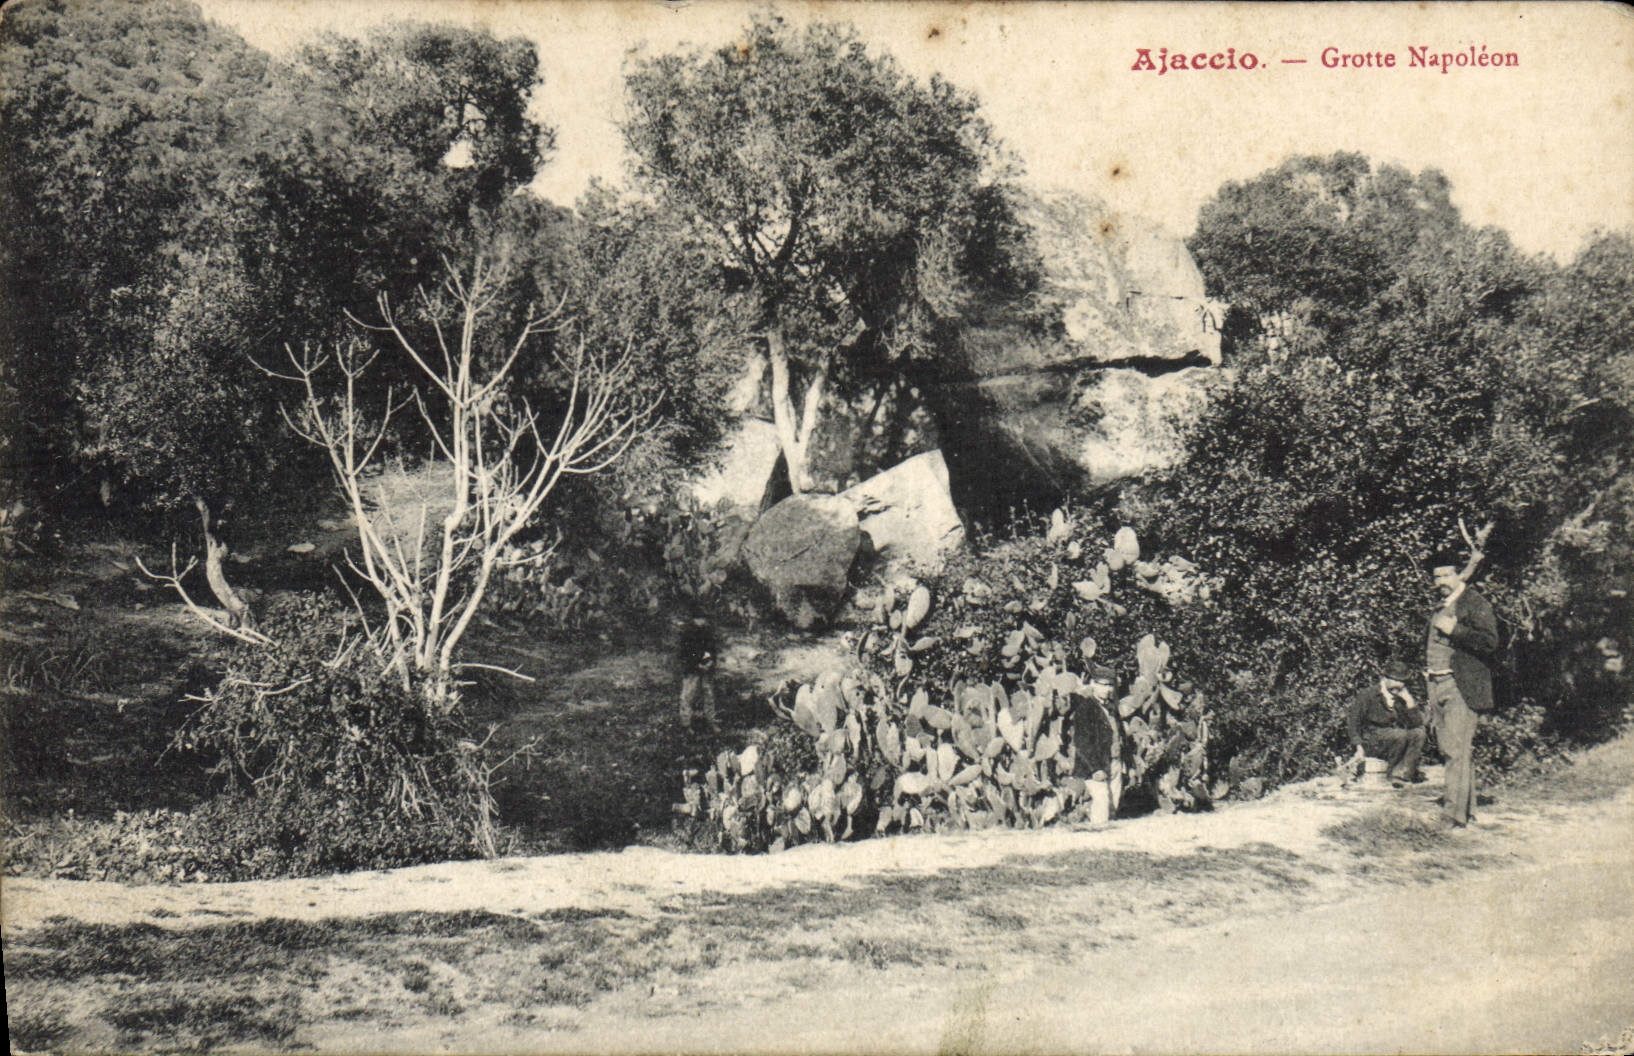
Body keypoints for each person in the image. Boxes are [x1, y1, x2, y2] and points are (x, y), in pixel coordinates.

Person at [1424, 548, 1499, 827]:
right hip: (1436, 682)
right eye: (1437, 576)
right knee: (1451, 750)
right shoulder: (1440, 605)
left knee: (1456, 751)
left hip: (1460, 686)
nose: (1441, 581)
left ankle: (1452, 816)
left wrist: (1455, 630)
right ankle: (1465, 811)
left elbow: (1490, 642)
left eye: (1446, 575)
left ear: (1459, 575)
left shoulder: (1474, 602)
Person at [1347, 659, 1427, 784]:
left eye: (1403, 681)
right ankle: (1393, 774)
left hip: (1395, 738)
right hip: (1372, 740)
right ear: (1385, 678)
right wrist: (1358, 747)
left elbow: (1417, 724)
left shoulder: (1401, 696)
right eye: (1396, 680)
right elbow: (1353, 722)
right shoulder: (1369, 694)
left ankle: (1405, 773)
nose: (1399, 685)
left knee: (1418, 733)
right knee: (1399, 734)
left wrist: (1410, 702)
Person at [1071, 665, 1120, 782]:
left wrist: (1129, 764)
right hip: (1096, 770)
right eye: (1103, 685)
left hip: (1115, 764)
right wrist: (1095, 769)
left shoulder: (1112, 707)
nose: (1108, 689)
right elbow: (1082, 743)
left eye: (1110, 685)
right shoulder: (1085, 709)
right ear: (1093, 684)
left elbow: (1120, 735)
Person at [677, 608, 720, 733]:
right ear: (695, 619)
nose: (703, 621)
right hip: (692, 670)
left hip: (707, 669)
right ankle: (686, 724)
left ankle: (711, 721)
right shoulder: (687, 633)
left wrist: (711, 662)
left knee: (709, 696)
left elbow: (713, 649)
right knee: (688, 696)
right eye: (700, 619)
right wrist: (696, 665)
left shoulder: (708, 632)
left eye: (704, 619)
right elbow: (684, 654)